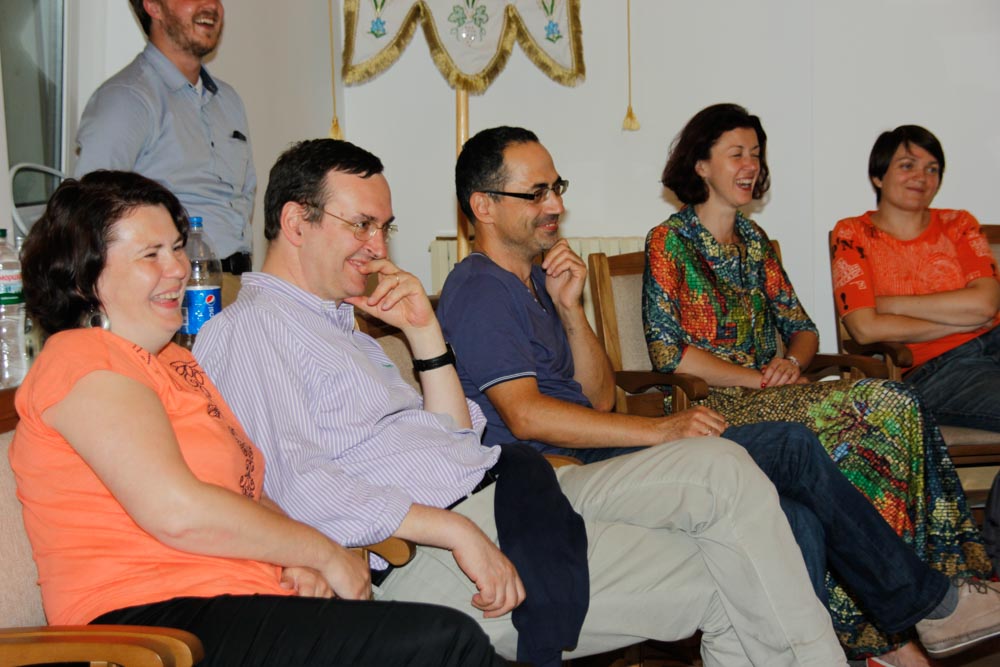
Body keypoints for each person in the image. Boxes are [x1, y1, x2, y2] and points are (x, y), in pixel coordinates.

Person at [193, 137, 854, 667]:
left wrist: (424, 334)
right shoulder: (250, 329)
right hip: (434, 546)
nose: (379, 247)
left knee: (724, 468)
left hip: (509, 491)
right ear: (295, 222)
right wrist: (455, 531)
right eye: (362, 225)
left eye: (384, 227)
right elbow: (295, 485)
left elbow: (454, 439)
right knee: (729, 579)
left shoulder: (342, 326)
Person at [439, 124, 1000, 666]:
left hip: (595, 449)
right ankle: (930, 606)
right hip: (553, 473)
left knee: (794, 517)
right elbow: (527, 416)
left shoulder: (538, 282)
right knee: (792, 446)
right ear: (484, 205)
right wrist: (662, 429)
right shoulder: (481, 287)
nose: (556, 205)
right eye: (536, 193)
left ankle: (868, 636)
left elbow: (600, 398)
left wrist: (570, 310)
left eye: (557, 187)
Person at [9, 171, 505, 667]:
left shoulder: (177, 363)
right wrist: (320, 551)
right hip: (148, 630)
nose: (178, 268)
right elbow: (178, 512)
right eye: (151, 255)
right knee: (445, 640)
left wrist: (291, 558)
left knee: (454, 641)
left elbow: (250, 493)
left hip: (235, 600)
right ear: (84, 277)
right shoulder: (83, 359)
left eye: (176, 248)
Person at [641, 103, 994, 665]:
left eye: (756, 154)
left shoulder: (755, 240)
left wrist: (791, 362)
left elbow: (803, 328)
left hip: (774, 393)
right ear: (701, 165)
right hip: (712, 406)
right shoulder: (669, 241)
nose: (751, 165)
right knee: (878, 408)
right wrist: (756, 378)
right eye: (736, 154)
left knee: (897, 403)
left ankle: (905, 618)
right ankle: (909, 622)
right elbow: (670, 353)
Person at [75, 0, 254, 304]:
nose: (210, 5)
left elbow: (244, 194)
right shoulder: (126, 98)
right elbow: (87, 212)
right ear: (153, 7)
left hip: (239, 286)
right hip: (176, 291)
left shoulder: (228, 100)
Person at [831, 124, 1000, 433]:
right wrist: (966, 322)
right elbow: (865, 328)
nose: (922, 177)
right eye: (908, 166)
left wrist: (888, 304)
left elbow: (986, 304)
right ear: (878, 176)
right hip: (938, 369)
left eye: (932, 169)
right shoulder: (853, 233)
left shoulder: (959, 223)